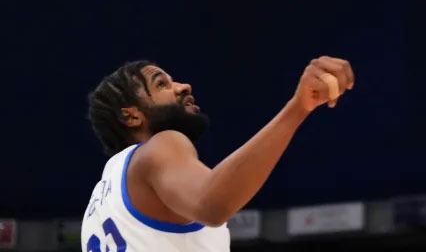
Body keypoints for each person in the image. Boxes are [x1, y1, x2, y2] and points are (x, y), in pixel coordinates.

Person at [81, 57, 353, 251]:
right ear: (131, 115)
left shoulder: (100, 200)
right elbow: (212, 205)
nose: (183, 86)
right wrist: (298, 109)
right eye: (162, 84)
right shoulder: (160, 146)